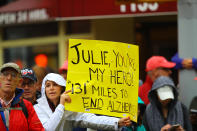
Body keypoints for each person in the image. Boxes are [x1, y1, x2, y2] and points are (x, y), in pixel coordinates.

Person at [34, 73, 131, 131]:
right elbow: (48, 129)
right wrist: (61, 106)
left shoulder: (70, 107)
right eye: (48, 85)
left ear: (62, 88)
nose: (51, 88)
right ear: (44, 89)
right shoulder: (38, 108)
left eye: (55, 85)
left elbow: (90, 119)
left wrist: (116, 122)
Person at [0, 62, 44, 130]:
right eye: (5, 74)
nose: (9, 78)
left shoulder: (27, 106)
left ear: (19, 81)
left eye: (13, 75)